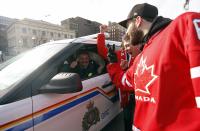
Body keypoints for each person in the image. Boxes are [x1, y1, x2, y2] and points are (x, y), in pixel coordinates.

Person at [107, 2, 200, 131]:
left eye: (128, 26)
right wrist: (112, 64)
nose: (127, 32)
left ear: (138, 20)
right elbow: (124, 81)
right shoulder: (140, 58)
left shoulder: (183, 26)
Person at [97, 25, 142, 131]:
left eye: (129, 45)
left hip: (139, 95)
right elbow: (103, 52)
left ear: (135, 44)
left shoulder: (141, 55)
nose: (127, 48)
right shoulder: (119, 54)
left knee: (139, 121)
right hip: (126, 96)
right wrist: (101, 33)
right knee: (127, 119)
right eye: (125, 45)